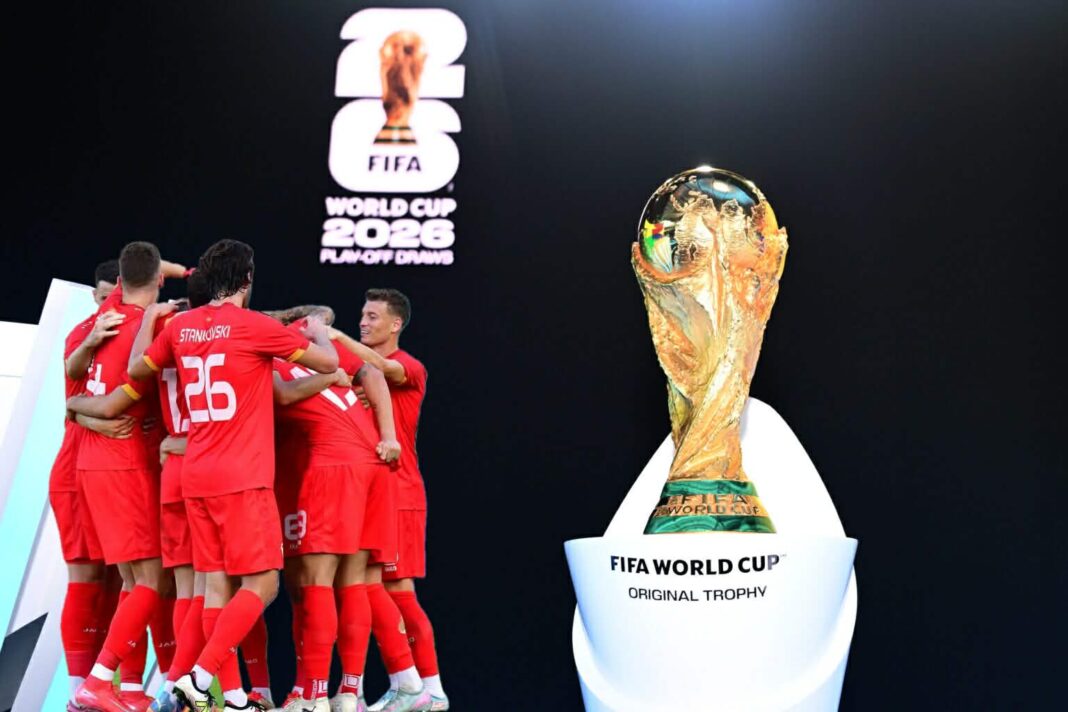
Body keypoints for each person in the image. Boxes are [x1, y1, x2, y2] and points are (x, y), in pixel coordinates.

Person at [126, 239, 339, 711]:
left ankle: (236, 697)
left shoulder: (180, 327)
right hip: (242, 477)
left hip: (195, 474)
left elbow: (136, 369)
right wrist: (320, 331)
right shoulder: (255, 326)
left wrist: (146, 322)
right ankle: (200, 678)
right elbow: (328, 363)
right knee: (263, 585)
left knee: (216, 588)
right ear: (247, 279)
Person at [268, 314, 410, 712]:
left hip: (333, 466)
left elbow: (281, 396)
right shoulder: (316, 344)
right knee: (353, 582)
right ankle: (349, 692)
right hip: (373, 461)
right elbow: (372, 374)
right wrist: (388, 436)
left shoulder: (263, 351)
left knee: (314, 583)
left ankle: (313, 694)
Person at [330, 289, 448, 711]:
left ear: (395, 324)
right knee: (356, 589)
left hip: (400, 493)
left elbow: (383, 368)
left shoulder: (409, 367)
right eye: (362, 315)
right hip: (364, 491)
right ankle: (359, 689)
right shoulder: (355, 369)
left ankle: (428, 688)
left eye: (373, 316)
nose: (363, 322)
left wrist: (336, 337)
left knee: (396, 590)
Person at [70, 243, 173, 712]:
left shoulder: (104, 317)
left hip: (94, 463)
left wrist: (76, 409)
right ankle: (97, 681)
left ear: (117, 283)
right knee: (152, 580)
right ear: (159, 280)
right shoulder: (152, 327)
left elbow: (72, 376)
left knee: (133, 581)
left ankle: (125, 687)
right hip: (124, 461)